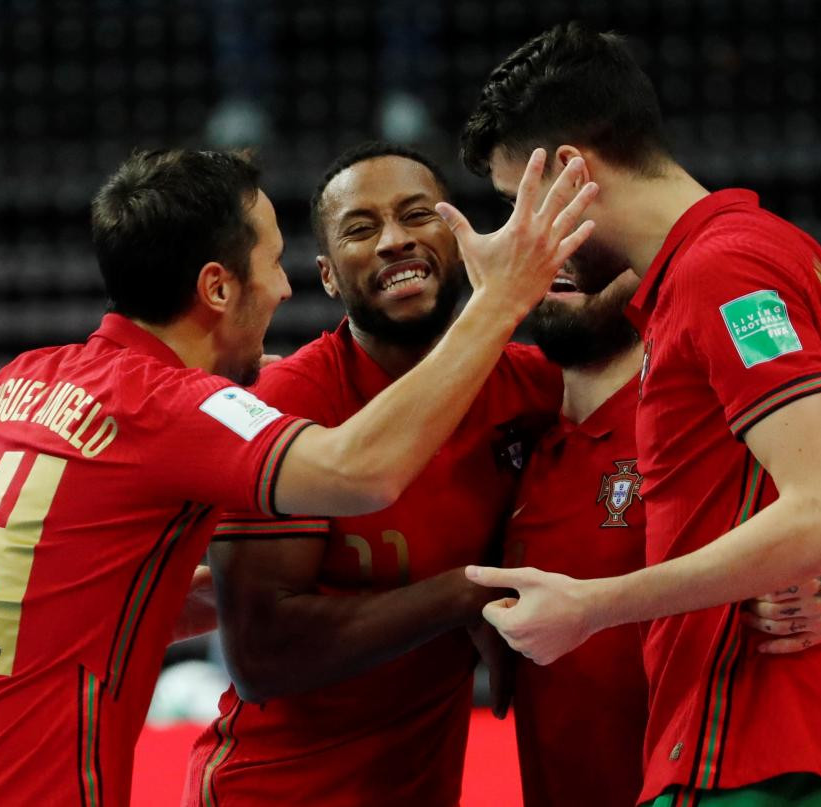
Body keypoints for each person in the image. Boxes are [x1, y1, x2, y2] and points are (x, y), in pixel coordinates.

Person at [0, 146, 598, 806]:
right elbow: (363, 473)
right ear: (218, 288)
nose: (283, 289)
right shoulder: (173, 407)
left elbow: (100, 590)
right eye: (274, 262)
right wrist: (502, 297)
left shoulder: (23, 381)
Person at [458, 23, 821, 806]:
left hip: (747, 760)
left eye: (518, 201)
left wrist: (592, 607)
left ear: (571, 169)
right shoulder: (745, 256)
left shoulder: (721, 266)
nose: (522, 234)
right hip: (761, 759)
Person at [182, 142, 559, 807]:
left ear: (461, 238)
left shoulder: (534, 391)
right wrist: (463, 594)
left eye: (418, 214)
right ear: (328, 277)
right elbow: (262, 657)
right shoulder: (288, 402)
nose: (394, 240)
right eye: (361, 228)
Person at [507, 254, 821, 806]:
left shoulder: (699, 407)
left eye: (595, 244)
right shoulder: (509, 418)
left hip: (714, 778)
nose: (569, 259)